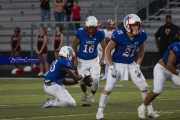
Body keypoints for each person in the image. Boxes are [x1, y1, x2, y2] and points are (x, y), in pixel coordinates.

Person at [96, 14, 159, 120]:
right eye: (134, 25)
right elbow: (107, 50)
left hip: (131, 64)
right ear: (127, 25)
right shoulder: (119, 34)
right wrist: (111, 66)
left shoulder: (141, 35)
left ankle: (150, 111)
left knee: (144, 87)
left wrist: (138, 64)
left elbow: (142, 51)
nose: (136, 27)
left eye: (137, 25)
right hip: (117, 64)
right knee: (108, 88)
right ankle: (100, 111)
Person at [137, 41, 180, 119]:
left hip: (173, 71)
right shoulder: (177, 47)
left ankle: (150, 111)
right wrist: (178, 74)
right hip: (162, 69)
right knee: (157, 90)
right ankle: (142, 107)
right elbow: (169, 65)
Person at [72, 16, 106, 106]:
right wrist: (74, 59)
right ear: (86, 27)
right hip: (81, 60)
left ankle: (92, 95)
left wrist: (103, 59)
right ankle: (84, 93)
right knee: (82, 80)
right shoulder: (80, 32)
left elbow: (104, 47)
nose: (91, 30)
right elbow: (74, 45)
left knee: (95, 80)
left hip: (94, 60)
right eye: (90, 27)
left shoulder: (100, 34)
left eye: (93, 28)